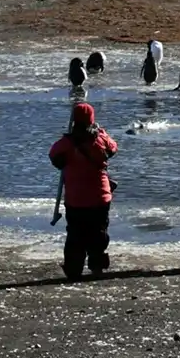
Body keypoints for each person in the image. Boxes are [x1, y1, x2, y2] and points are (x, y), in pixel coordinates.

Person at [47, 101, 118, 280]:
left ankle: (73, 269)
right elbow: (113, 148)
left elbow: (54, 155)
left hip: (76, 199)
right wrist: (100, 131)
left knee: (75, 235)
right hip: (100, 197)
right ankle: (97, 267)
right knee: (98, 233)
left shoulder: (67, 143)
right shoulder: (100, 139)